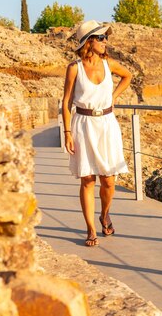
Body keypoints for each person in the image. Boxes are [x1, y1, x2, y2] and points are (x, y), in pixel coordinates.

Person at [61, 20, 132, 247]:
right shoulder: (74, 68)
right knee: (88, 180)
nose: (105, 41)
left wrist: (114, 97)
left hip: (107, 124)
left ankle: (104, 214)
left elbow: (128, 76)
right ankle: (91, 229)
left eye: (105, 37)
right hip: (83, 125)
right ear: (88, 41)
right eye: (101, 38)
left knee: (109, 181)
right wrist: (67, 132)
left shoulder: (109, 64)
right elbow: (65, 102)